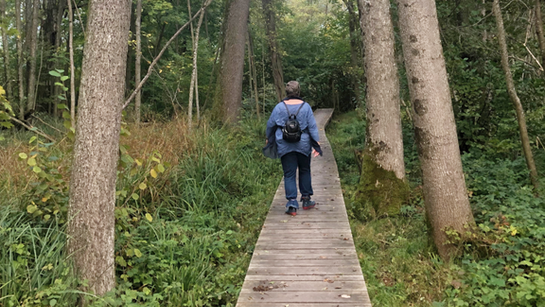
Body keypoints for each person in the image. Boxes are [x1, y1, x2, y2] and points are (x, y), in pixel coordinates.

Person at [264, 81, 322, 216]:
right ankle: (306, 199)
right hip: (304, 144)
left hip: (284, 144)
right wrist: (316, 143)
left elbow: (270, 124)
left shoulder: (279, 107)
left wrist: (269, 137)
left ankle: (291, 203)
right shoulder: (306, 107)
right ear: (298, 92)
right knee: (305, 170)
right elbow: (312, 126)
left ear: (287, 92)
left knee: (289, 174)